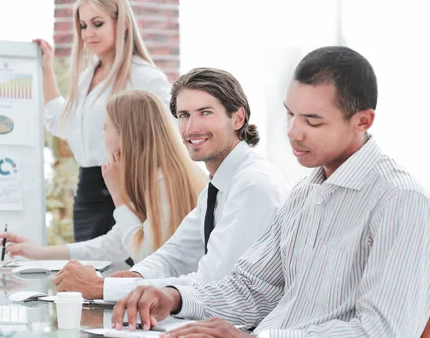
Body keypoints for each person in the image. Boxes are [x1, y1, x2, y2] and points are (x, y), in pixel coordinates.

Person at [111, 47, 430, 337]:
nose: (292, 132)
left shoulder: (400, 201)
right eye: (291, 114)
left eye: (313, 121)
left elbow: (383, 331)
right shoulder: (305, 193)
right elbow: (251, 287)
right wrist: (175, 297)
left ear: (362, 121)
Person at [52, 68, 290, 300]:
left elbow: (213, 283)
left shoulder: (252, 184)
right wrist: (133, 276)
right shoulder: (218, 186)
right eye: (184, 115)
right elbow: (174, 254)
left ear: (237, 118)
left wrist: (103, 288)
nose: (191, 127)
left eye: (205, 113)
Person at [0, 90, 207, 265]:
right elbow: (114, 246)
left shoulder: (164, 181)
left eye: (106, 128)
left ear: (127, 134)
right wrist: (39, 252)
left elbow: (144, 255)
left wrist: (118, 197)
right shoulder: (155, 177)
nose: (103, 136)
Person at [37, 0, 171, 243]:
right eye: (83, 26)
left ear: (121, 24)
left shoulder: (144, 76)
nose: (88, 33)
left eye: (97, 24)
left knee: (121, 275)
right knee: (87, 273)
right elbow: (60, 123)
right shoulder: (86, 77)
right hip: (86, 192)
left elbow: (171, 133)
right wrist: (46, 69)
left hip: (128, 189)